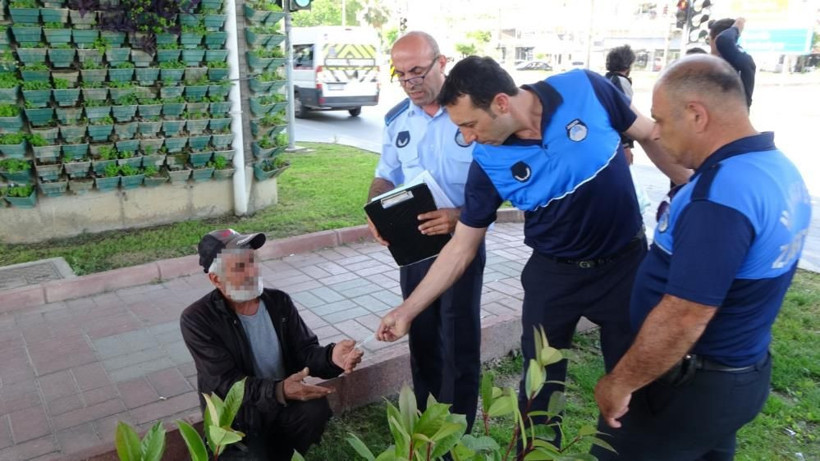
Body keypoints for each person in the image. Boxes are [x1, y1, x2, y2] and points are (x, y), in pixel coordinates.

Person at [376, 55, 690, 441]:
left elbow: (647, 133)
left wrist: (687, 182)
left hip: (625, 266)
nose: (469, 138)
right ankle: (538, 449)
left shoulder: (585, 88)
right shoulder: (488, 163)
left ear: (501, 103)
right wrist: (407, 310)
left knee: (636, 377)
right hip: (553, 276)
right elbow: (461, 249)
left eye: (470, 124)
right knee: (539, 393)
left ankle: (629, 446)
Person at [593, 55, 811, 460]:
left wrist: (620, 382)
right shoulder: (776, 168)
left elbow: (685, 315)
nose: (655, 133)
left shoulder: (720, 195)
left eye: (660, 119)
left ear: (696, 115)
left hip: (685, 388)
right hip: (739, 375)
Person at [367, 31, 485, 431]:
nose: (410, 81)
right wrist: (374, 210)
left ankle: (458, 432)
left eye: (417, 70)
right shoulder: (398, 119)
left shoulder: (470, 112)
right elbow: (385, 175)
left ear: (442, 62)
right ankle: (425, 427)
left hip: (461, 240)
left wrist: (458, 215)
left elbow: (500, 185)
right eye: (400, 74)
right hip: (414, 245)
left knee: (457, 340)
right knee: (421, 335)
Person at [180, 229, 364, 460]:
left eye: (252, 261)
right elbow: (226, 383)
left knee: (314, 410)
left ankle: (282, 452)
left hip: (280, 401)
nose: (252, 271)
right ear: (216, 279)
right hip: (238, 417)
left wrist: (331, 357)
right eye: (239, 267)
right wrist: (280, 389)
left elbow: (304, 352)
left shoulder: (278, 302)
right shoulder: (197, 319)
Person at [709, 17, 756, 107]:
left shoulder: (739, 63)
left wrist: (738, 24)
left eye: (709, 40)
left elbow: (724, 40)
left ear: (715, 40)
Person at [604, 45, 637, 164]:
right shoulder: (621, 82)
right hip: (616, 142)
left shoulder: (606, 79)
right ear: (627, 65)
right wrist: (625, 145)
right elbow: (623, 115)